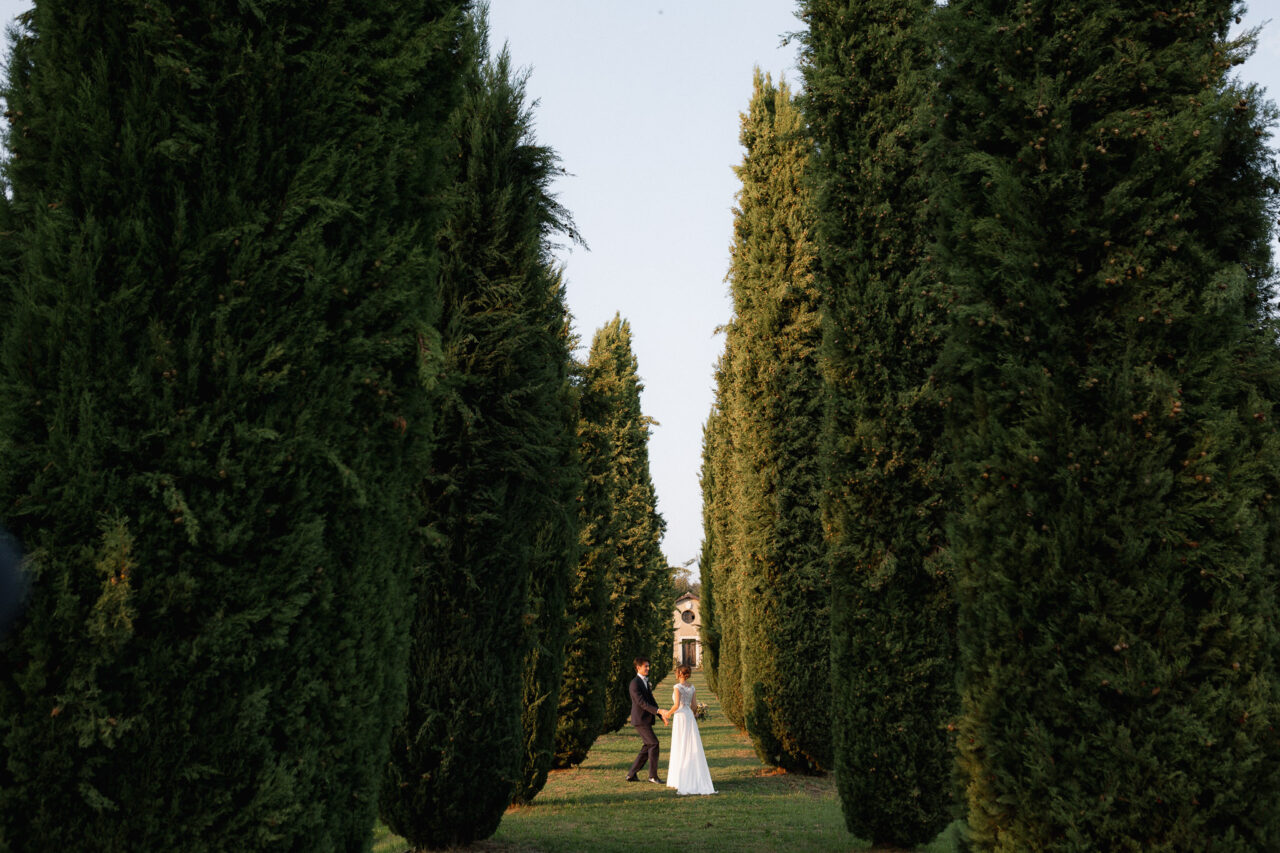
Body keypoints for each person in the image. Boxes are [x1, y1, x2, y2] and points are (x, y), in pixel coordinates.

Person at [664, 664, 716, 795]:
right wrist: (695, 714)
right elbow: (693, 706)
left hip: (680, 716)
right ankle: (690, 775)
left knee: (680, 744)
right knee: (691, 744)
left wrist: (668, 713)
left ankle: (679, 777)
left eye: (677, 672)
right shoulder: (692, 687)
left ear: (680, 674)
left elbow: (676, 705)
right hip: (689, 716)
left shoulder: (677, 687)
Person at [625, 655, 669, 784]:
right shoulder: (634, 683)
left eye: (648, 666)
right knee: (654, 743)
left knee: (647, 746)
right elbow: (642, 703)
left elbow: (651, 701)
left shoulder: (646, 681)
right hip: (640, 720)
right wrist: (659, 711)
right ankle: (652, 776)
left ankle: (631, 774)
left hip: (646, 719)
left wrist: (662, 717)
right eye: (646, 666)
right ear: (638, 667)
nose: (648, 668)